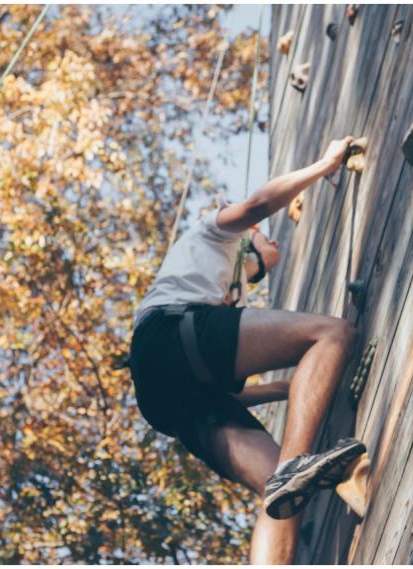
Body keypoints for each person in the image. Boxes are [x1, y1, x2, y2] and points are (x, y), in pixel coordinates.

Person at [128, 136, 366, 564]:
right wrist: (323, 166)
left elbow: (228, 392)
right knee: (333, 334)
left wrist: (288, 388)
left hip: (175, 400)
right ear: (247, 239)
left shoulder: (215, 299)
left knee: (283, 495)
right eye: (264, 238)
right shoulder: (214, 233)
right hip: (169, 334)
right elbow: (258, 204)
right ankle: (295, 467)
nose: (272, 242)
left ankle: (289, 480)